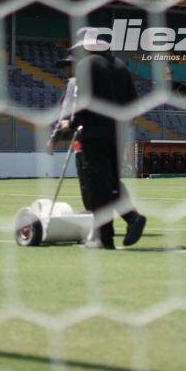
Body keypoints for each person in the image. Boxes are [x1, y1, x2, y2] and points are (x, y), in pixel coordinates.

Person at [53, 28, 147, 249]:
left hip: (94, 134)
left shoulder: (86, 65)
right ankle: (129, 220)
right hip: (117, 134)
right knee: (112, 184)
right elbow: (134, 102)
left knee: (97, 188)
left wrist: (71, 123)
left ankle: (106, 239)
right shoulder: (120, 65)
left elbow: (85, 103)